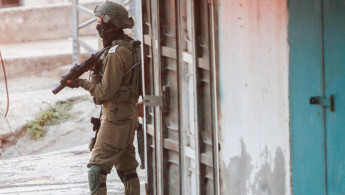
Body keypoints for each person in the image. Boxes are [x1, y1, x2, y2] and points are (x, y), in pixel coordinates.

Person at [66, 1, 141, 194]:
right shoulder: (125, 46)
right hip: (125, 113)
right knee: (127, 169)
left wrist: (80, 83)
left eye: (100, 21)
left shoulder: (116, 53)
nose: (98, 25)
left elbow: (104, 92)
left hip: (116, 116)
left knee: (96, 169)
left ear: (110, 23)